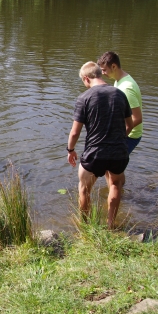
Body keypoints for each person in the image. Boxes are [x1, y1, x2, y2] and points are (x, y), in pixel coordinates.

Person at [67, 62, 133, 229]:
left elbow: (75, 132)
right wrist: (119, 139)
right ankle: (111, 224)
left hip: (95, 153)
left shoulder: (85, 98)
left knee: (84, 189)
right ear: (100, 74)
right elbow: (130, 124)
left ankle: (86, 227)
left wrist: (71, 150)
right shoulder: (119, 94)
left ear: (86, 78)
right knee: (115, 185)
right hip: (119, 152)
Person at [97, 51, 143, 154]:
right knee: (108, 165)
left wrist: (119, 137)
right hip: (122, 131)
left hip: (130, 135)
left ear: (113, 66)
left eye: (104, 70)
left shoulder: (126, 88)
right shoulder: (119, 80)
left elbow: (138, 118)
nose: (103, 73)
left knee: (112, 166)